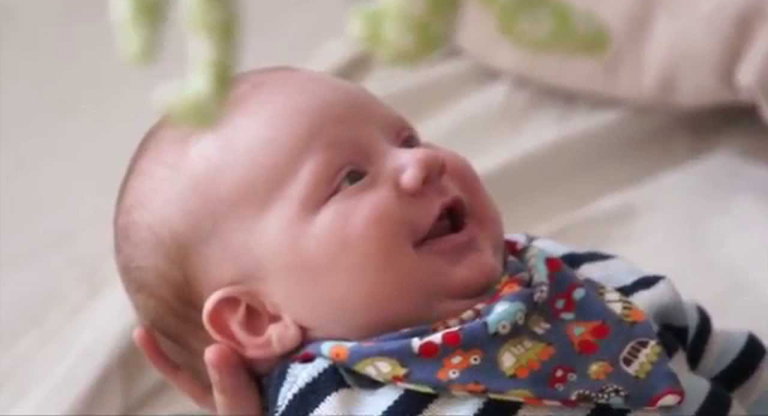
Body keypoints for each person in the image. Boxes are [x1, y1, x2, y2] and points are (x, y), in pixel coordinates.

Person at [116, 67, 767, 415]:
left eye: (406, 139)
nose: (420, 163)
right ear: (260, 318)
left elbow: (719, 357)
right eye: (350, 178)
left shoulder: (569, 276)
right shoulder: (336, 401)